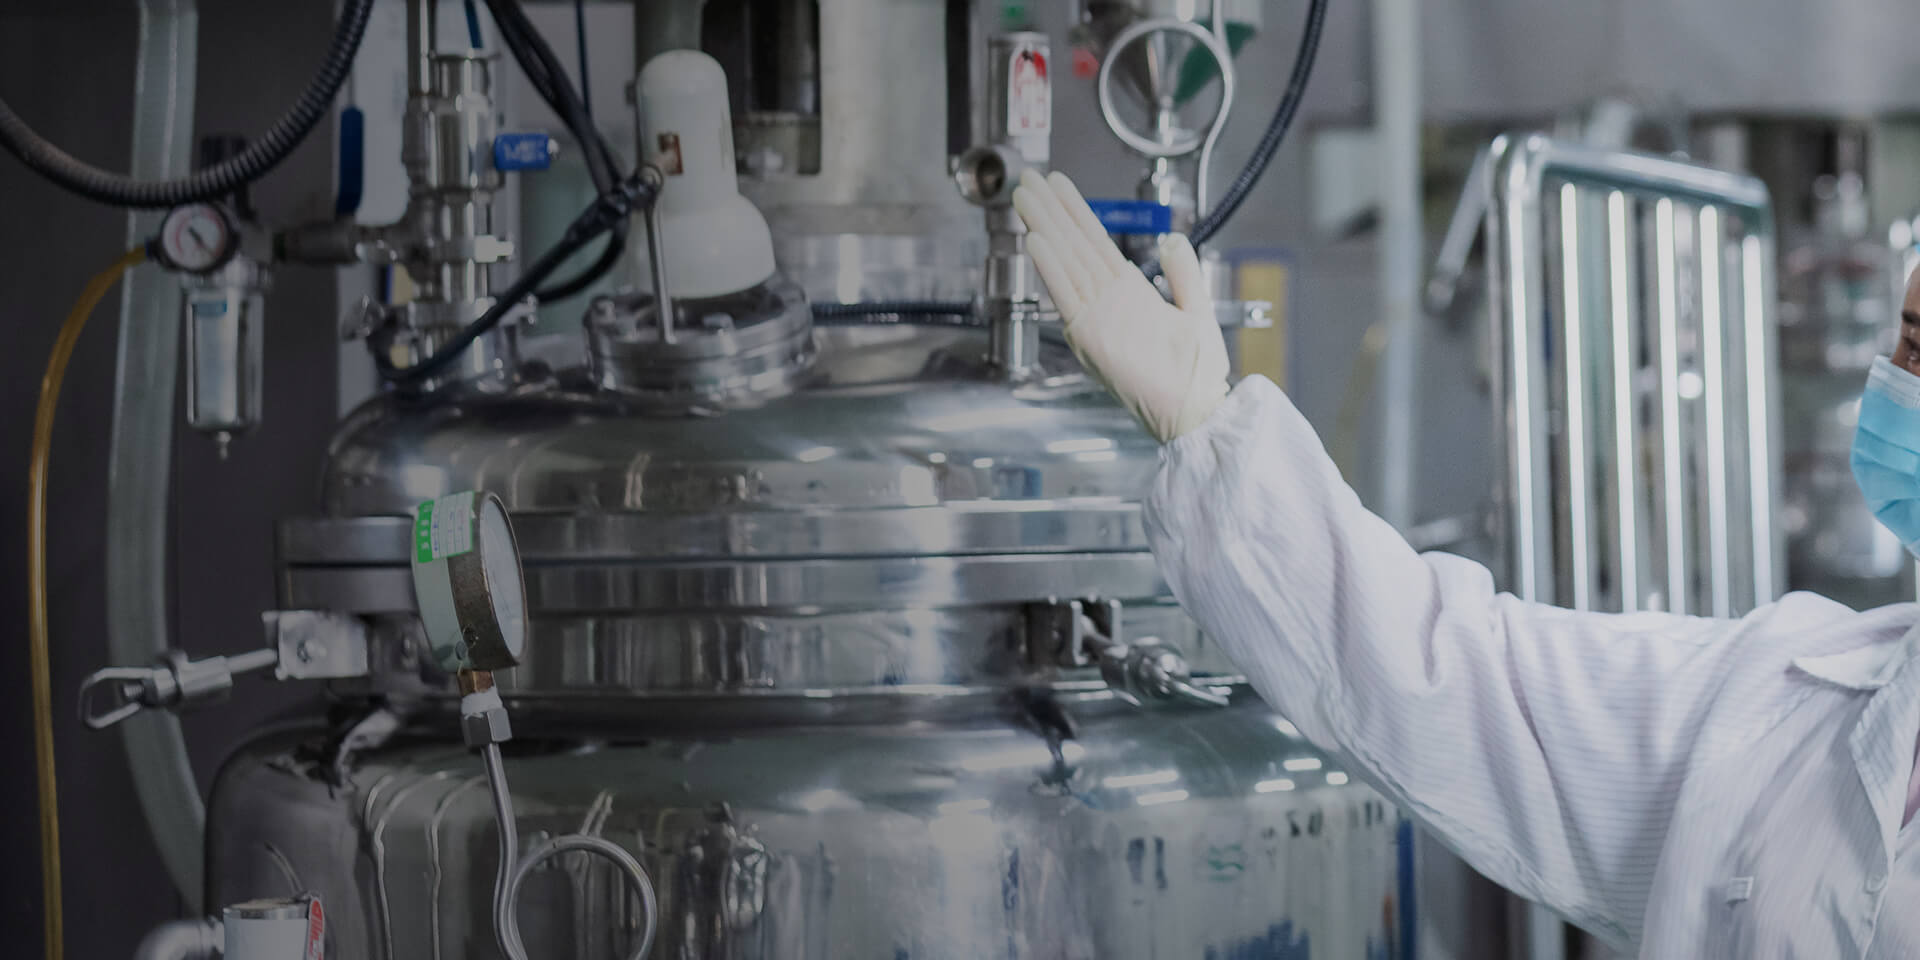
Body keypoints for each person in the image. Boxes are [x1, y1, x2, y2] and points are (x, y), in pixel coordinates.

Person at [1012, 167, 1920, 956]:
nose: (1906, 387)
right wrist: (1209, 428)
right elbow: (1443, 670)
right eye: (1913, 345)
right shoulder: (1781, 706)